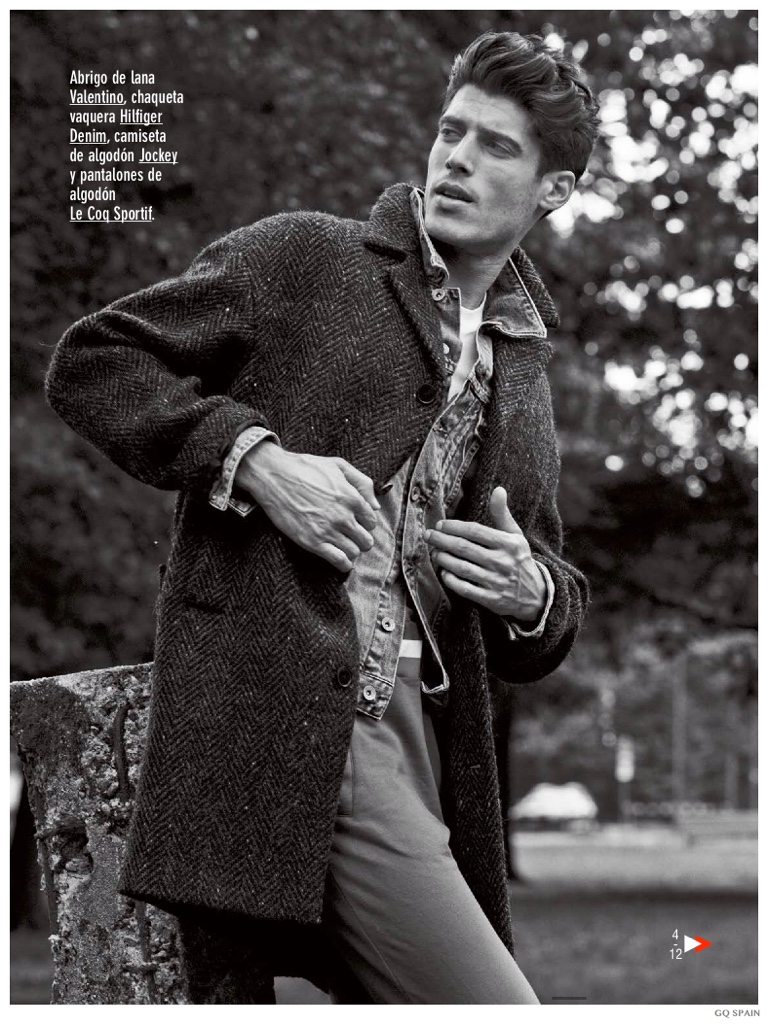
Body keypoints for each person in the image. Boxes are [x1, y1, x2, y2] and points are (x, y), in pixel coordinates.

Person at [46, 30, 599, 1004]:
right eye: (451, 132)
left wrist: (532, 595)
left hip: (435, 748)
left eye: (496, 146)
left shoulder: (520, 366)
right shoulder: (308, 258)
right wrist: (255, 461)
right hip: (306, 725)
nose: (458, 160)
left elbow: (546, 595)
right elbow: (94, 361)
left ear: (552, 189)